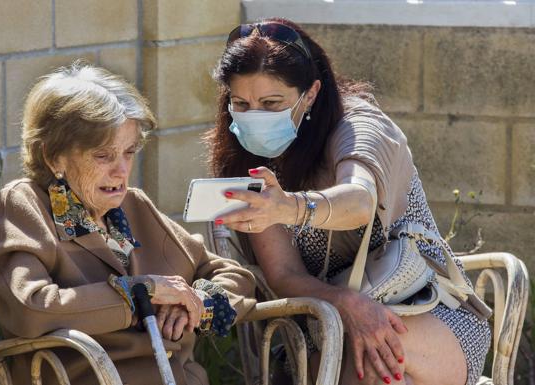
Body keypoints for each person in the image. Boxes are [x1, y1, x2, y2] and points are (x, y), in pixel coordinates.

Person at [206, 18, 490, 385]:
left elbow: (358, 200)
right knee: (363, 366)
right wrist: (348, 304)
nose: (254, 115)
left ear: (310, 93)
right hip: (323, 323)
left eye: (271, 103)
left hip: (428, 308)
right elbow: (283, 273)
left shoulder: (357, 125)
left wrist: (290, 207)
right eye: (241, 103)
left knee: (372, 368)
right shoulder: (240, 155)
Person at [0, 62, 256, 385]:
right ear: (53, 156)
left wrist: (193, 304)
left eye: (128, 152)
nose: (121, 171)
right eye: (103, 156)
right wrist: (142, 294)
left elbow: (234, 276)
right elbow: (30, 309)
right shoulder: (24, 205)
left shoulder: (134, 206)